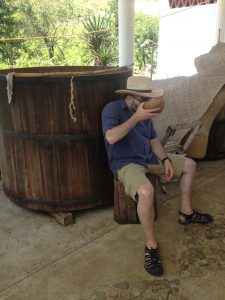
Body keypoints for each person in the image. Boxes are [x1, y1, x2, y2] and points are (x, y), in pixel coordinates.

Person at [101, 75, 213, 277]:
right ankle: (151, 245)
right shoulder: (113, 109)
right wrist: (136, 118)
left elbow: (153, 141)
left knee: (190, 164)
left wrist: (165, 160)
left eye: (147, 99)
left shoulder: (144, 113)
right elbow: (111, 137)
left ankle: (186, 213)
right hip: (126, 163)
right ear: (129, 97)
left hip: (148, 157)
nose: (147, 104)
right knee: (146, 191)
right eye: (143, 100)